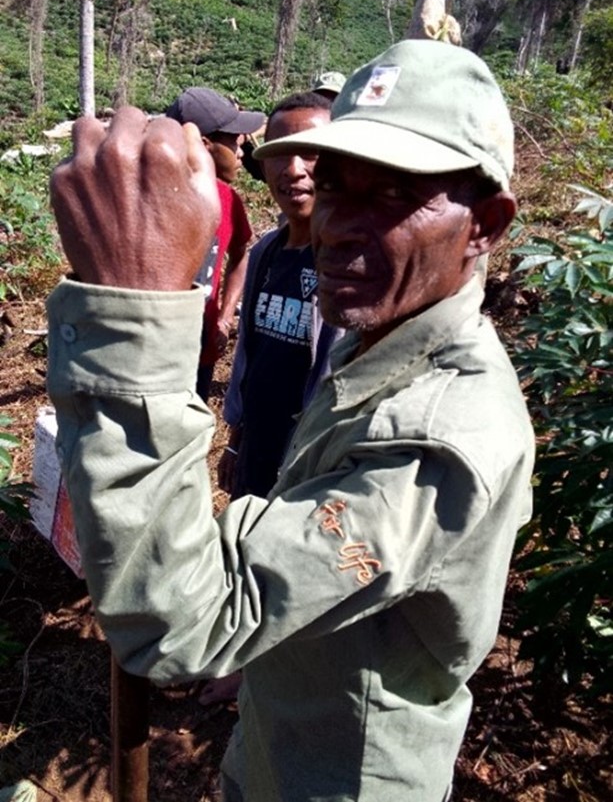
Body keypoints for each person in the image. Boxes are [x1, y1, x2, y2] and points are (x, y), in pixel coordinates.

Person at [47, 40, 534, 802]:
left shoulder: (439, 436)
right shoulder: (382, 335)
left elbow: (182, 619)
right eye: (336, 185)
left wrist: (135, 316)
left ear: (484, 224)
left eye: (394, 195)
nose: (338, 223)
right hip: (279, 729)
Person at [219, 90, 337, 500]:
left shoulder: (351, 266)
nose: (294, 170)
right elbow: (249, 357)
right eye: (279, 153)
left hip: (312, 466)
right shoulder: (265, 252)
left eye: (312, 153)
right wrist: (236, 440)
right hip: (258, 451)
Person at [166, 87, 266, 400]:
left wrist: (223, 318)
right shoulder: (151, 202)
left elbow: (240, 255)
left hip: (201, 347)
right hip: (154, 356)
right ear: (204, 144)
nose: (240, 152)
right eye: (234, 142)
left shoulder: (228, 200)